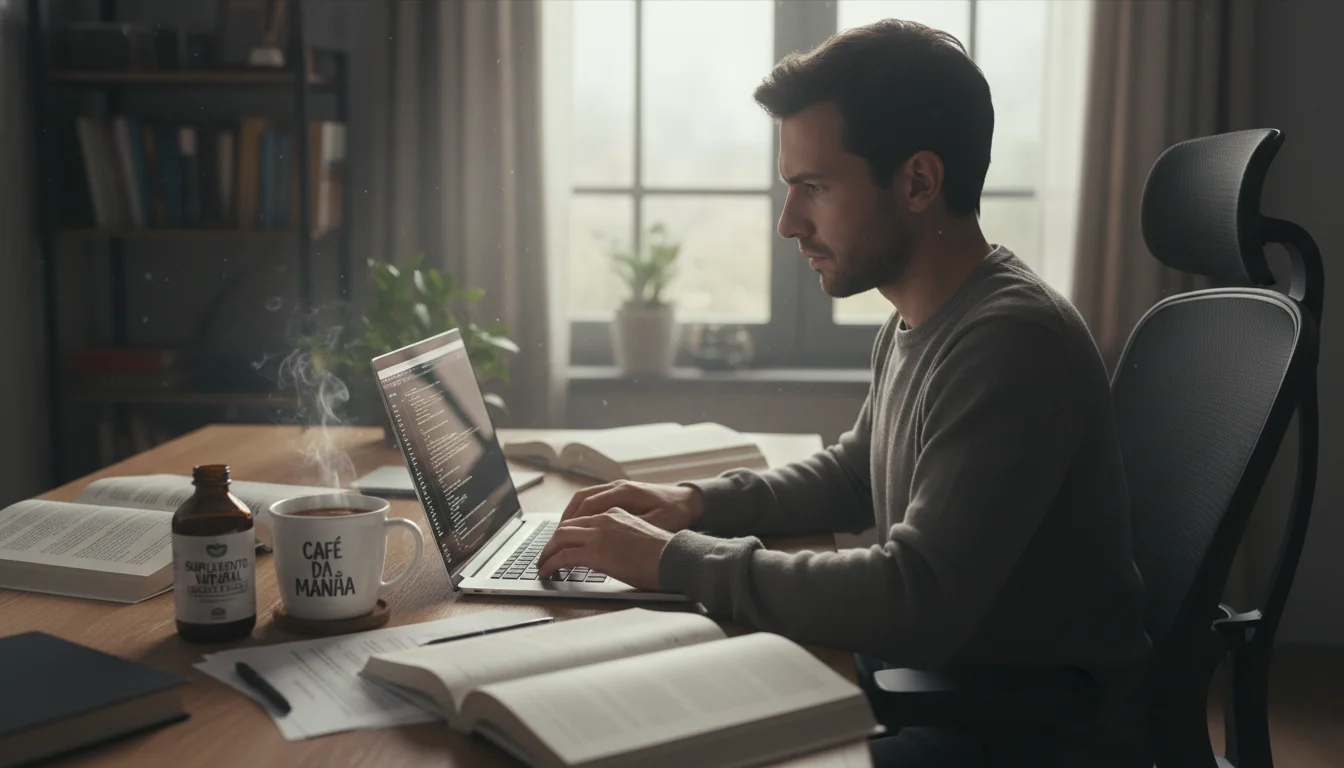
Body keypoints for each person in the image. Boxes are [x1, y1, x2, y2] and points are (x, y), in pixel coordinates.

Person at [537, 18, 1151, 768]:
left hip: (1029, 736)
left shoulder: (1012, 340)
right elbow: (859, 470)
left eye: (814, 188)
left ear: (919, 181)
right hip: (955, 692)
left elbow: (914, 594)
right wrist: (695, 504)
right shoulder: (918, 317)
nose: (789, 222)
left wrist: (676, 561)